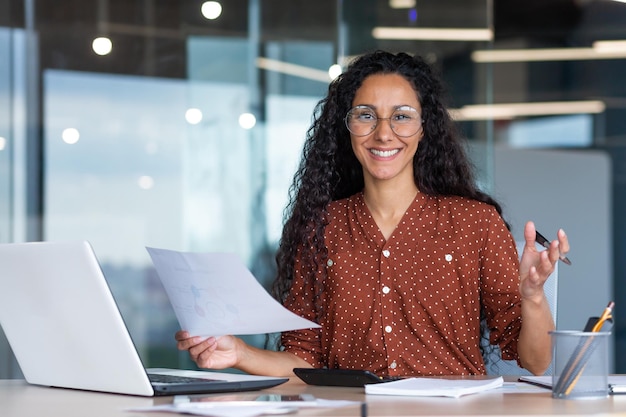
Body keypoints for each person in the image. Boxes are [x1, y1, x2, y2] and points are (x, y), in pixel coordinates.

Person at [176, 50, 569, 378]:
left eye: (401, 116)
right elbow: (304, 360)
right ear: (346, 128)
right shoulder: (321, 226)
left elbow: (536, 361)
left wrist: (532, 297)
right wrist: (238, 353)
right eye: (366, 115)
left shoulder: (475, 224)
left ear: (424, 128)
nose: (383, 133)